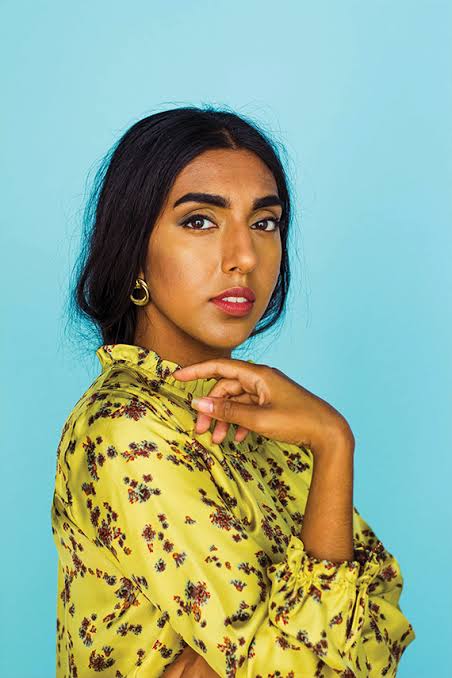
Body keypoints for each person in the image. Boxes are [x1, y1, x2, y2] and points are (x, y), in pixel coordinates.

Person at [51, 106, 416, 677]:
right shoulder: (129, 430)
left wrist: (330, 438)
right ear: (134, 248)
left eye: (265, 223)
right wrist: (331, 443)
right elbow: (320, 666)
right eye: (200, 221)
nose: (244, 257)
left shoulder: (264, 416)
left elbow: (381, 621)